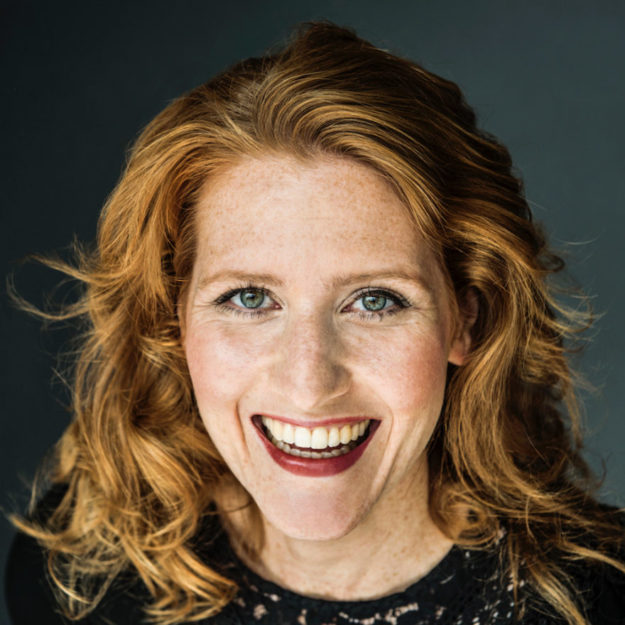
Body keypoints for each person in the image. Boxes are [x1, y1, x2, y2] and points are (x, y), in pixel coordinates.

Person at [5, 21, 625, 625]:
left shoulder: (601, 601)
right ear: (174, 316)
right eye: (249, 298)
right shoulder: (79, 575)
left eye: (375, 301)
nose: (308, 384)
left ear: (465, 319)